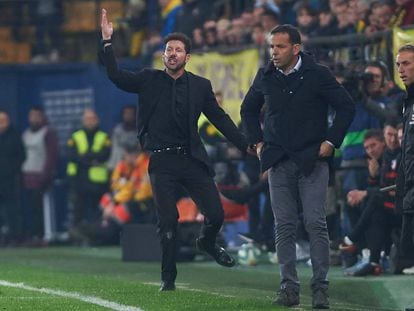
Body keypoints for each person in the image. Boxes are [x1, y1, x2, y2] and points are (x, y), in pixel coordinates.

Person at [99, 9, 250, 292]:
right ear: (163, 54)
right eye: (169, 49)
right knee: (168, 221)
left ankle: (206, 241)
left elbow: (220, 119)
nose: (172, 53)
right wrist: (108, 44)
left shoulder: (201, 86)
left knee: (216, 214)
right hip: (162, 161)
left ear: (187, 57)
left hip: (192, 158)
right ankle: (168, 278)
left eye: (178, 50)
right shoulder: (148, 79)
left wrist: (245, 145)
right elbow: (117, 76)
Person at [240, 24, 355, 308]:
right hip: (278, 160)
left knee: (315, 222)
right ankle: (288, 287)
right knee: (284, 226)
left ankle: (320, 288)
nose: (273, 52)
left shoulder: (318, 74)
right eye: (271, 47)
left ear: (296, 48)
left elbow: (346, 106)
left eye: (279, 47)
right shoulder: (265, 75)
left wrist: (332, 140)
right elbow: (247, 109)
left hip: (312, 159)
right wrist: (256, 141)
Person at [66, 109, 111, 231]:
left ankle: (97, 234)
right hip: (79, 180)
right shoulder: (75, 136)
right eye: (87, 119)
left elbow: (105, 154)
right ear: (83, 121)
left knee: (97, 209)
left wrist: (85, 156)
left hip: (98, 182)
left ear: (97, 120)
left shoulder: (104, 136)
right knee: (78, 209)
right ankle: (77, 234)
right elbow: (71, 155)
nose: (90, 122)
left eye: (92, 119)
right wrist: (91, 159)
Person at [21, 106, 58, 244]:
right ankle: (32, 234)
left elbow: (52, 156)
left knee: (40, 209)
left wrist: (45, 175)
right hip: (27, 177)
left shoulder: (48, 133)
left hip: (41, 177)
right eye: (31, 116)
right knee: (29, 209)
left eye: (37, 116)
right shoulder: (26, 133)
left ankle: (43, 236)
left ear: (42, 117)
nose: (34, 119)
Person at [396, 44, 414, 259]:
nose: (401, 69)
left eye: (406, 63)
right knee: (404, 259)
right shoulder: (407, 101)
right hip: (409, 188)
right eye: (398, 64)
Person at [0, 110, 26, 245]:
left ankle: (14, 237)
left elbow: (22, 156)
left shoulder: (14, 135)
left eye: (3, 120)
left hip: (10, 180)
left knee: (12, 210)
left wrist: (10, 169)